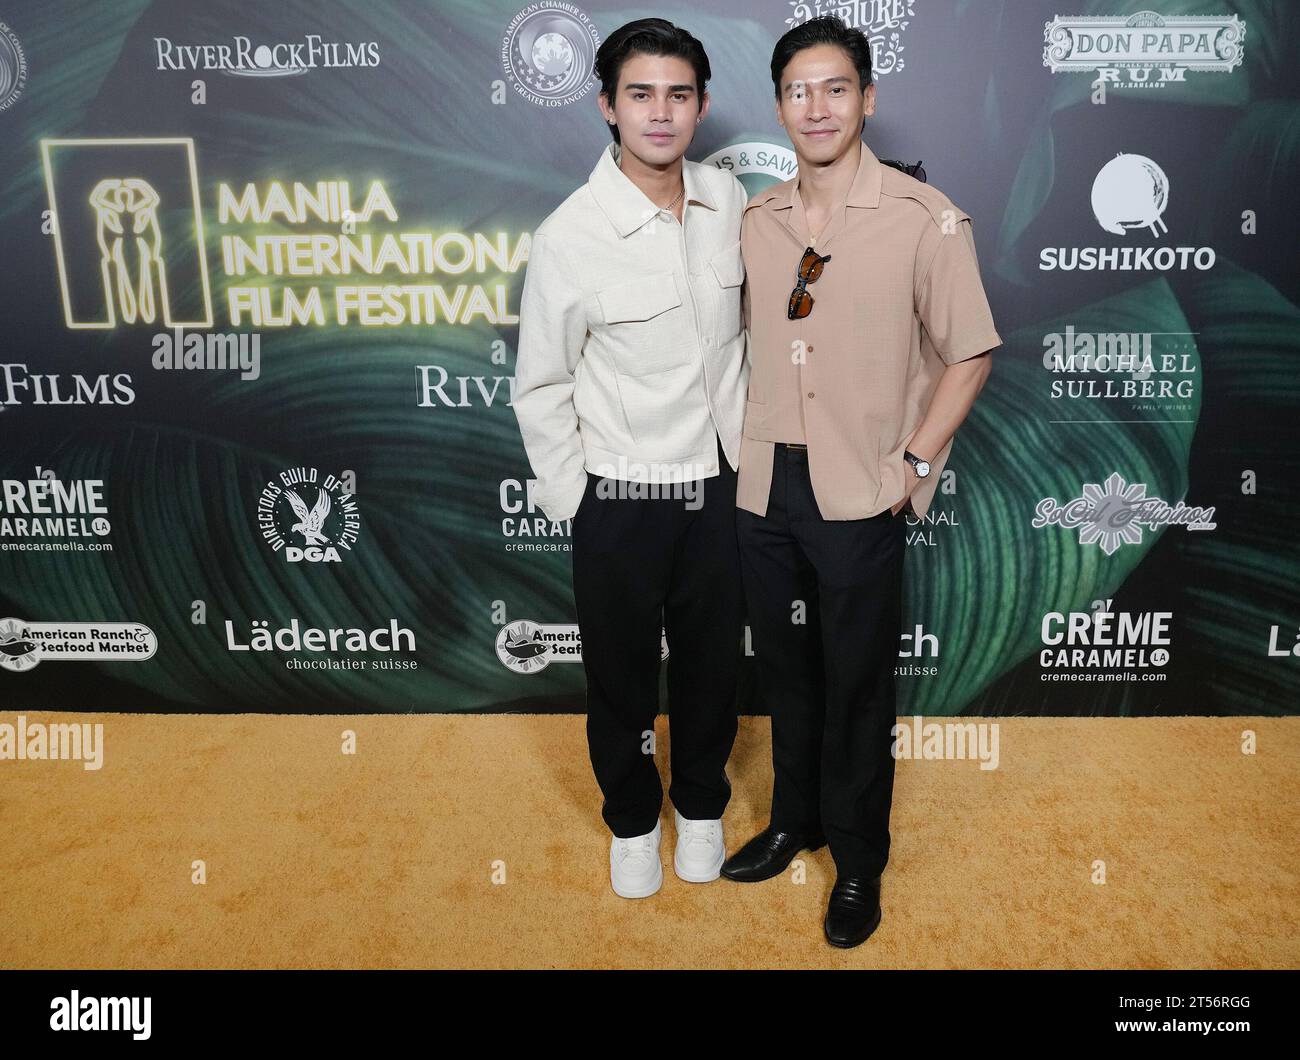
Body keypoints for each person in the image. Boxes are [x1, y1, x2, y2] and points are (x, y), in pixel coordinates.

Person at [721, 15, 1003, 947]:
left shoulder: (927, 220)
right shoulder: (756, 222)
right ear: (779, 106)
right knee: (788, 677)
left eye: (835, 87)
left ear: (868, 97)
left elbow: (970, 353)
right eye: (798, 90)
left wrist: (914, 465)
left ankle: (858, 861)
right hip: (766, 488)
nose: (816, 106)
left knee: (857, 686)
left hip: (862, 490)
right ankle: (792, 821)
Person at [512, 19, 749, 899]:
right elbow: (540, 384)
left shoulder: (729, 203)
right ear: (608, 105)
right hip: (619, 496)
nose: (661, 113)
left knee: (712, 671)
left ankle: (700, 809)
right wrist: (581, 500)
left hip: (719, 488)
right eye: (640, 94)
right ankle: (631, 822)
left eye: (678, 95)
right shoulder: (569, 235)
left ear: (703, 106)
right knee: (619, 683)